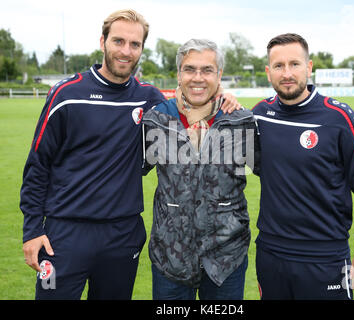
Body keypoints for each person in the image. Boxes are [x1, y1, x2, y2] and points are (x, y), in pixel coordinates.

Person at [20, 9, 168, 300]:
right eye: (118, 41)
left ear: (141, 49)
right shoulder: (66, 94)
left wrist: (224, 99)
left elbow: (191, 115)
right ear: (103, 42)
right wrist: (32, 230)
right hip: (64, 235)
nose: (126, 51)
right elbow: (38, 165)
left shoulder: (150, 99)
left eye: (134, 44)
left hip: (123, 235)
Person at [252, 33, 354, 300]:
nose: (287, 73)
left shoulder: (339, 117)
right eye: (278, 66)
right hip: (271, 253)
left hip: (325, 256)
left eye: (294, 64)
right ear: (268, 72)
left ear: (309, 67)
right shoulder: (259, 116)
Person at [142, 39, 258, 300]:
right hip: (170, 259)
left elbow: (270, 172)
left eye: (207, 70)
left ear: (219, 75)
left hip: (226, 260)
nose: (198, 78)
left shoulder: (241, 122)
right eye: (189, 69)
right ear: (179, 74)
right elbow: (131, 170)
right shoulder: (157, 120)